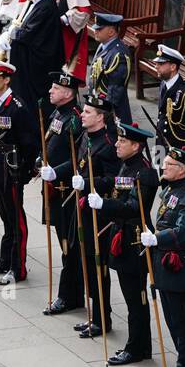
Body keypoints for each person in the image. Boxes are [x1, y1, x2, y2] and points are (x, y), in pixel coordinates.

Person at [90, 120, 159, 365]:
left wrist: (104, 205)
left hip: (135, 240)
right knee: (131, 297)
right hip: (122, 234)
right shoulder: (127, 166)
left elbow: (134, 207)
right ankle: (139, 345)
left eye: (122, 141)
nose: (117, 145)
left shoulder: (145, 173)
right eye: (117, 140)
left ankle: (137, 348)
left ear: (137, 146)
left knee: (136, 298)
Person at [142, 146, 185, 367]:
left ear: (182, 170)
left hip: (178, 268)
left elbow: (183, 232)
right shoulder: (170, 189)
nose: (164, 167)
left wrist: (158, 239)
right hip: (163, 266)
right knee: (171, 321)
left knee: (182, 324)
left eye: (168, 165)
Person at [0, 56, 40, 286]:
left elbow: (30, 141)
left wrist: (25, 171)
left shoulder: (17, 105)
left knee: (16, 220)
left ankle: (18, 267)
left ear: (6, 80)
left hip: (12, 169)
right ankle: (6, 259)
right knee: (6, 216)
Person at [71, 92, 121, 338]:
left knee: (97, 267)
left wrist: (88, 182)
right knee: (87, 266)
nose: (82, 114)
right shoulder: (87, 136)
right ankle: (95, 315)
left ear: (101, 117)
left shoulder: (109, 144)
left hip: (98, 215)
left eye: (88, 112)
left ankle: (103, 319)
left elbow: (113, 180)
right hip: (83, 209)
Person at [36, 70, 83, 315]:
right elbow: (50, 140)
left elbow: (78, 157)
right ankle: (71, 293)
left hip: (65, 189)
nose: (50, 92)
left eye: (55, 89)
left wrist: (55, 171)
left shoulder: (74, 118)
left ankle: (68, 295)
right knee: (62, 240)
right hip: (53, 187)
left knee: (68, 245)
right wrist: (40, 160)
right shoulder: (57, 113)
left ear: (67, 93)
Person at [6, 0, 65, 116]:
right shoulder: (40, 3)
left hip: (38, 66)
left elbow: (28, 34)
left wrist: (12, 33)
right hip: (30, 62)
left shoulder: (45, 7)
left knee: (32, 103)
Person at [87, 13, 133, 124]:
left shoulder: (119, 54)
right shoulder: (104, 45)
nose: (95, 31)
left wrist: (103, 116)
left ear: (111, 32)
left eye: (99, 29)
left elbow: (114, 90)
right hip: (98, 105)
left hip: (111, 114)